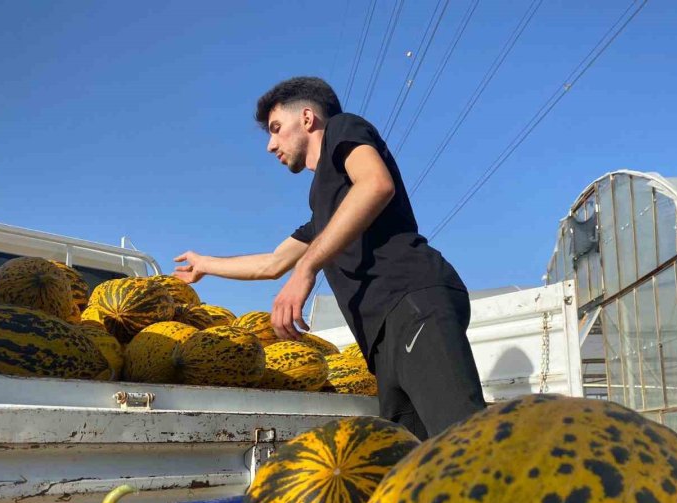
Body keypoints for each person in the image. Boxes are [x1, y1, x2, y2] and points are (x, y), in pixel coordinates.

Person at [174, 76, 485, 440]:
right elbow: (272, 264)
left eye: (276, 129)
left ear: (307, 118)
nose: (270, 145)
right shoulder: (323, 208)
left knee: (466, 444)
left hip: (412, 302)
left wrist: (307, 268)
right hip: (382, 338)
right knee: (418, 459)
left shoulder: (343, 127)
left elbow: (376, 184)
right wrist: (206, 264)